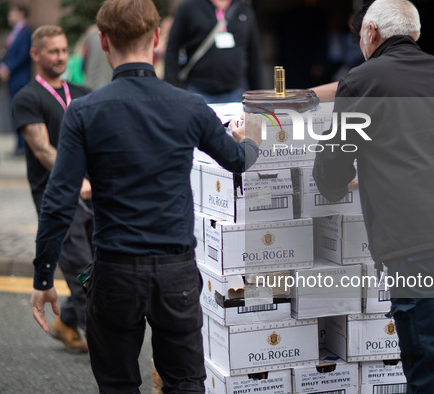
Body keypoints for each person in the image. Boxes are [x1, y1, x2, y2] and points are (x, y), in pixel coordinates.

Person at [29, 0, 261, 392]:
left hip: (115, 270)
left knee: (118, 384)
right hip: (176, 272)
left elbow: (58, 200)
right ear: (155, 38)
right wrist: (248, 138)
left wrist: (43, 277)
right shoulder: (189, 106)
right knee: (185, 381)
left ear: (103, 41)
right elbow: (238, 161)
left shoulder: (84, 112)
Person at [312, 1, 434, 393]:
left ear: (370, 33)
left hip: (420, 236)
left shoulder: (362, 81)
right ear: (415, 34)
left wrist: (338, 185)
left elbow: (334, 164)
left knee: (429, 353)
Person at [12, 25, 93, 353]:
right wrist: (77, 180)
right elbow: (44, 150)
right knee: (84, 277)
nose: (60, 57)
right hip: (58, 200)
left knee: (102, 269)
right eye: (53, 51)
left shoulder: (83, 92)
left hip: (93, 194)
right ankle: (108, 350)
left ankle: (67, 321)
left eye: (64, 50)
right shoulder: (27, 98)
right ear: (35, 55)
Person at [164, 0, 263, 103]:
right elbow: (172, 49)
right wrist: (171, 91)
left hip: (235, 93)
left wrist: (258, 96)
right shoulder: (188, 6)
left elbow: (253, 55)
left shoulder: (244, 8)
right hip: (197, 91)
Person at [0, 1, 31, 156]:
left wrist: (8, 69)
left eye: (12, 13)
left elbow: (23, 55)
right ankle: (18, 145)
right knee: (13, 111)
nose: (9, 16)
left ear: (21, 14)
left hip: (20, 79)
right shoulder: (14, 32)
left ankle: (22, 146)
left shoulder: (25, 32)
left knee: (20, 112)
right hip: (12, 79)